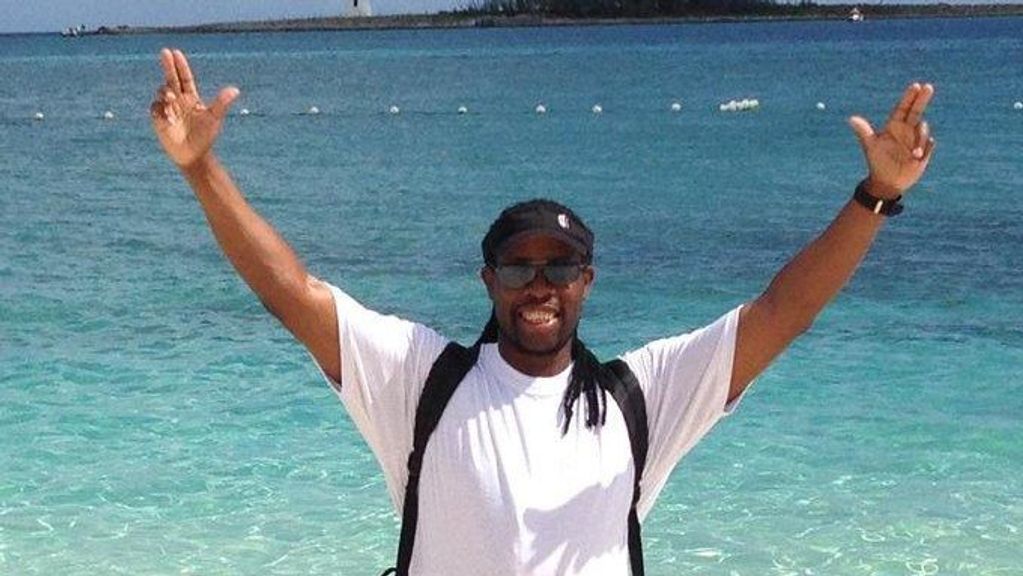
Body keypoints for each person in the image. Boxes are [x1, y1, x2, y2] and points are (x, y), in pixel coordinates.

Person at [150, 47, 935, 575]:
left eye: (558, 267)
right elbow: (291, 292)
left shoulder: (640, 397)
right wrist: (200, 169)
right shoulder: (420, 382)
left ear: (585, 281)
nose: (538, 284)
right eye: (518, 266)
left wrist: (875, 196)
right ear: (487, 280)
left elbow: (782, 312)